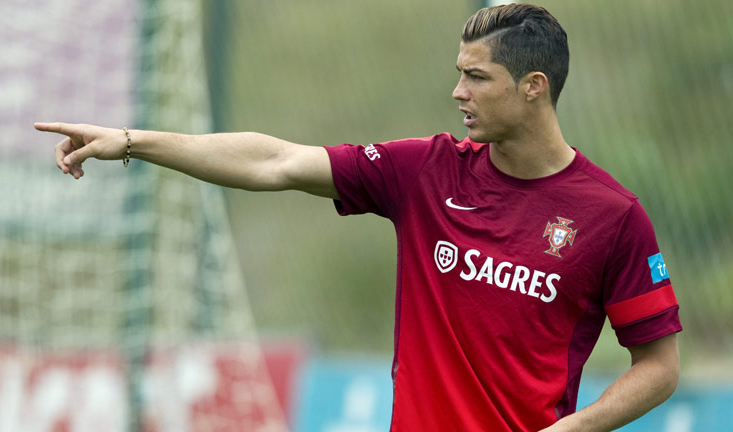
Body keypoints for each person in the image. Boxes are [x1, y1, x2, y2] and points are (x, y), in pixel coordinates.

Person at [35, 3, 681, 431]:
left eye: (478, 78)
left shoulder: (612, 216)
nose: (458, 92)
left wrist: (573, 429)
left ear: (533, 87)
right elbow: (277, 162)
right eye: (458, 74)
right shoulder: (426, 171)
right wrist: (133, 141)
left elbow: (659, 365)